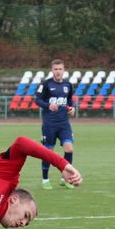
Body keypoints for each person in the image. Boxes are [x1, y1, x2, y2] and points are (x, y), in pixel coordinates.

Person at [34, 59, 76, 190]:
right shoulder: (46, 84)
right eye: (55, 69)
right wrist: (48, 105)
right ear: (52, 70)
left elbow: (69, 99)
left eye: (60, 69)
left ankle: (65, 178)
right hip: (49, 124)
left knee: (69, 149)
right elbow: (37, 100)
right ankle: (45, 179)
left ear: (64, 70)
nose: (58, 72)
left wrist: (72, 108)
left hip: (64, 123)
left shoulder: (68, 85)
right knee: (48, 152)